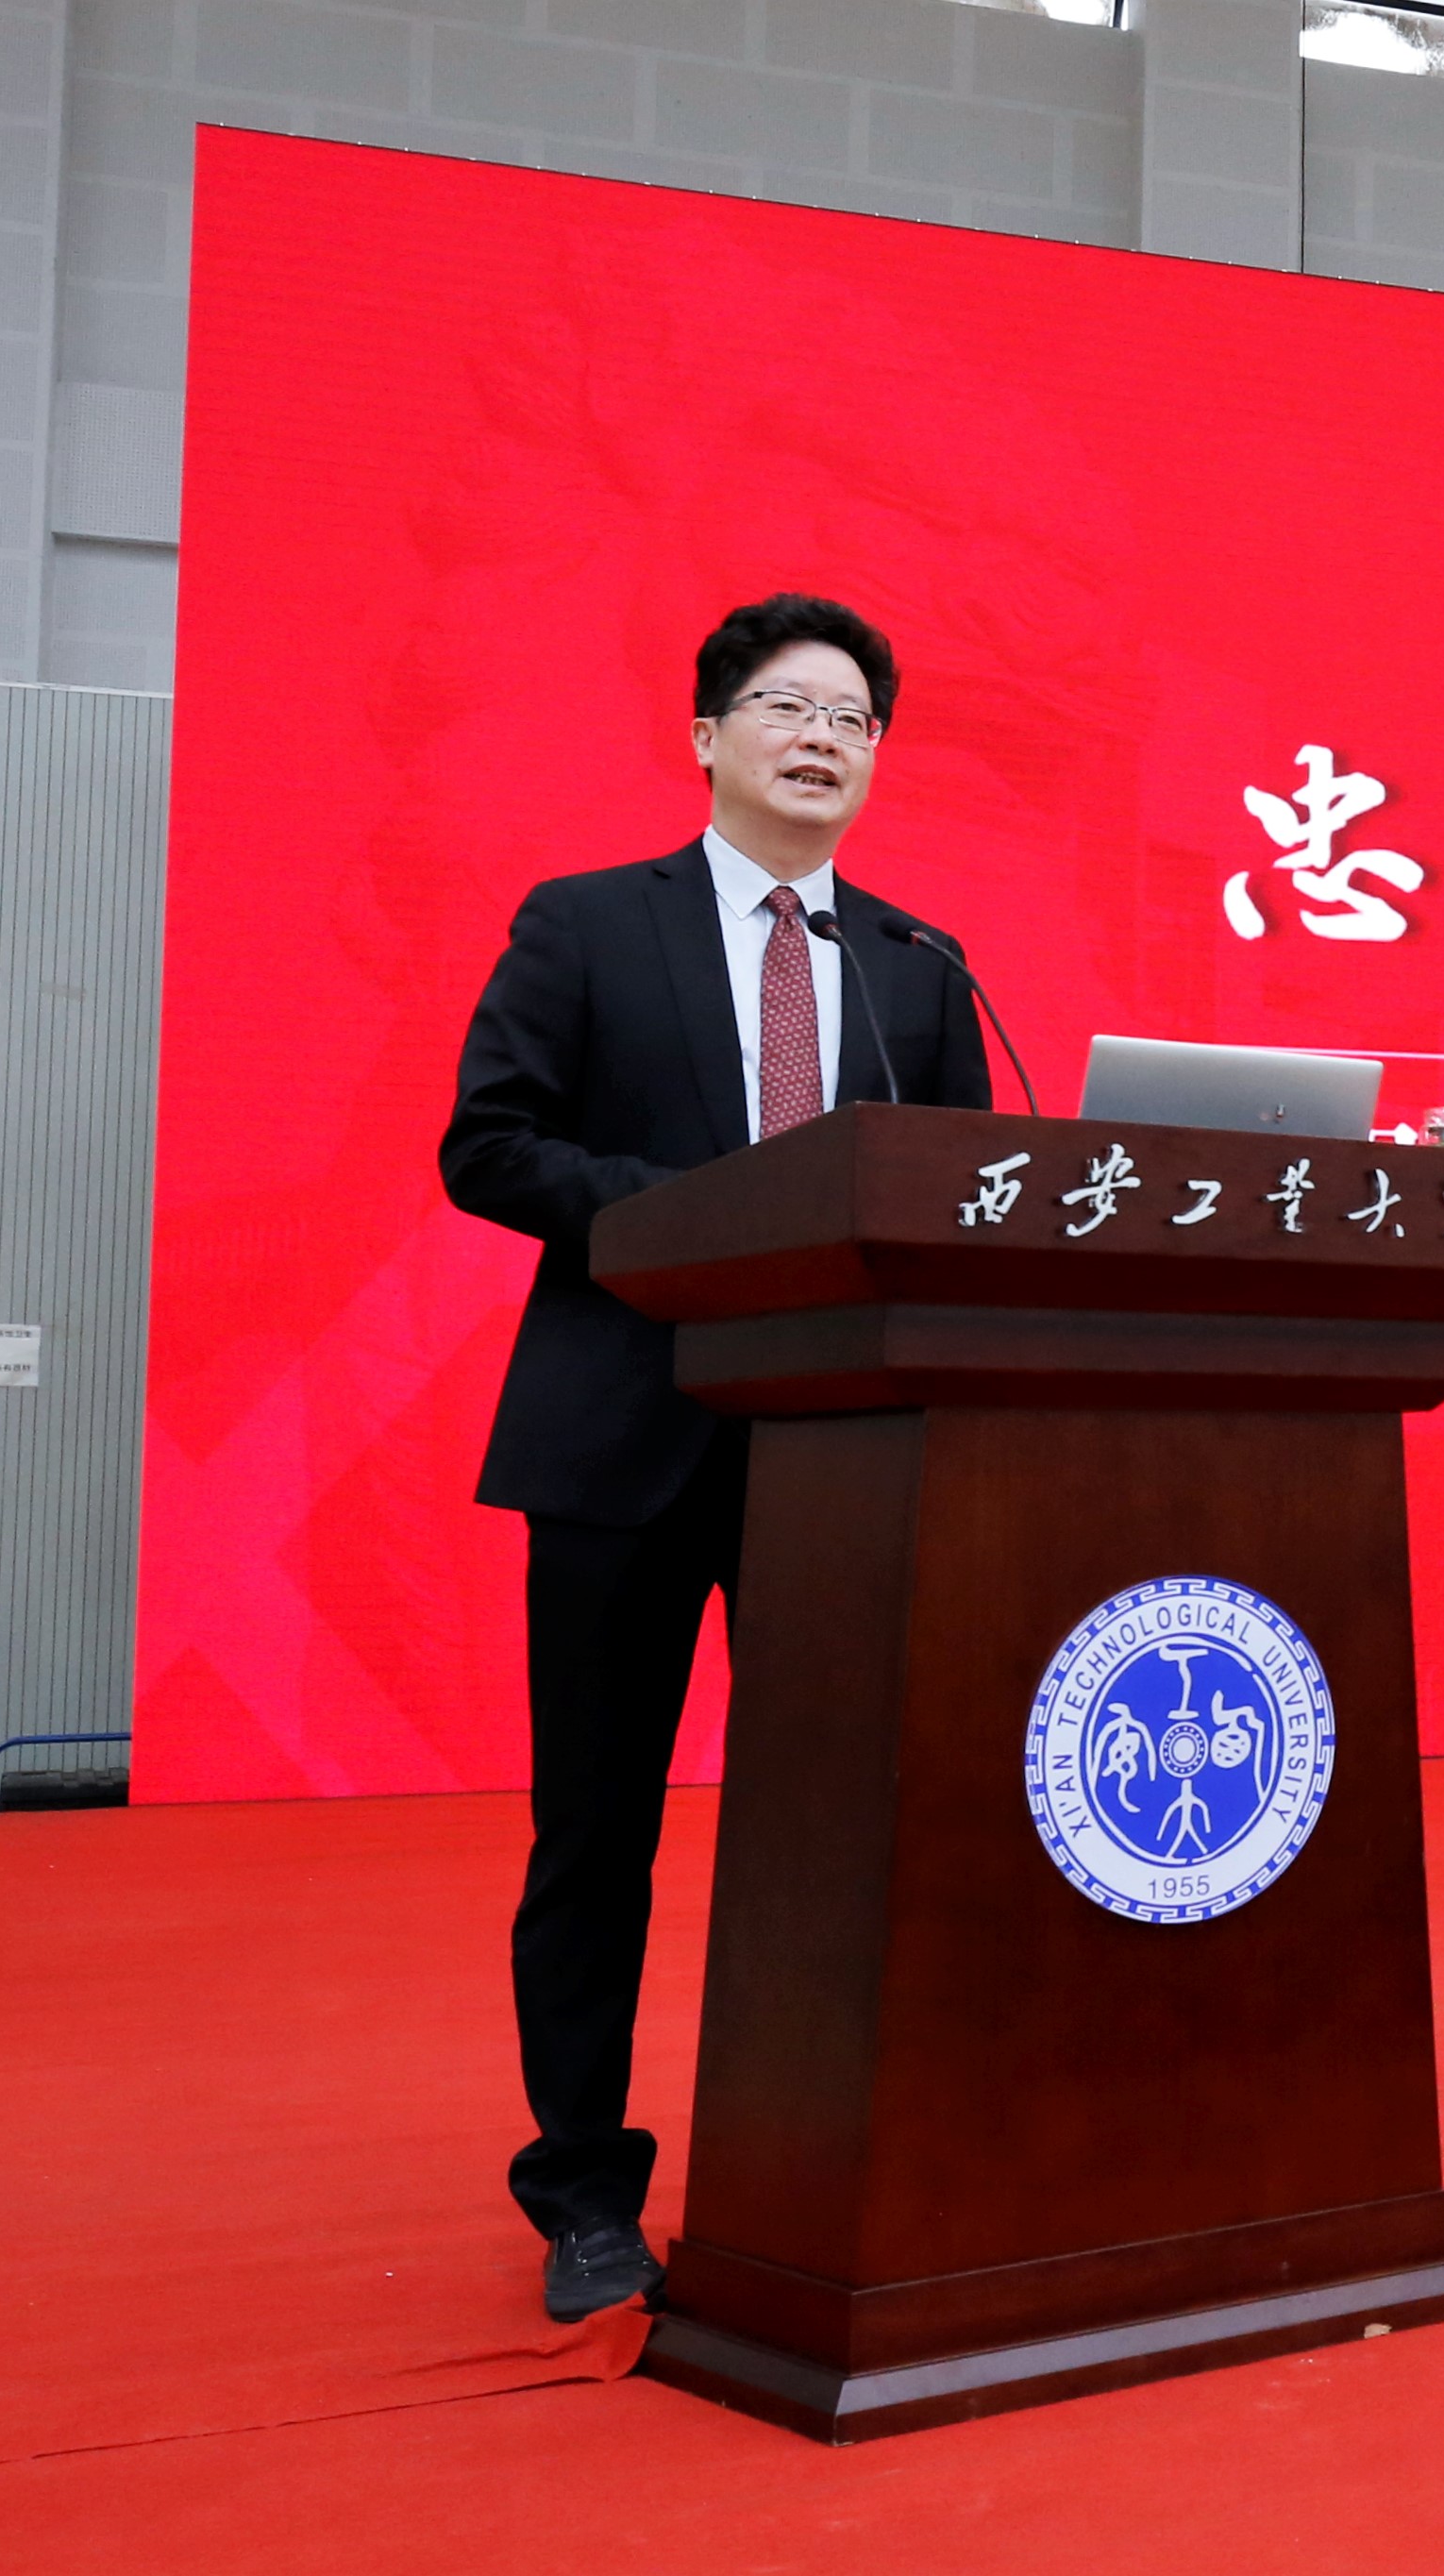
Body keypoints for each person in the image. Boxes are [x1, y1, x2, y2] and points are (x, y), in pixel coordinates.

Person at [440, 594, 990, 2321]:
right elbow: (488, 1146)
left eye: (853, 719)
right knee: (596, 1829)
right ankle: (585, 2189)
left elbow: (960, 1195)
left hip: (842, 1459)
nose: (822, 738)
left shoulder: (918, 965)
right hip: (625, 1440)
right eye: (784, 706)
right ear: (705, 737)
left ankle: (822, 2156)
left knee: (840, 1825)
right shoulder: (589, 924)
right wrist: (709, 1214)